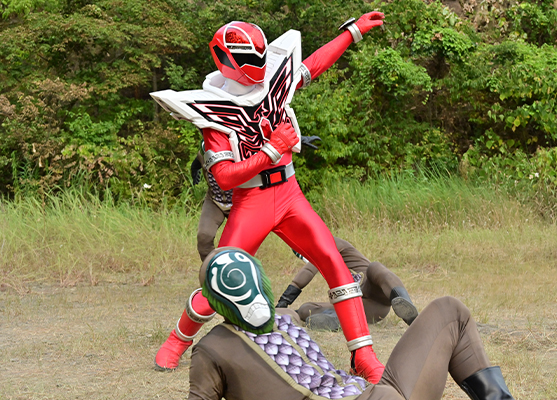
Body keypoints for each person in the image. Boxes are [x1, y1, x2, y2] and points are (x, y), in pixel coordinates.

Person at [150, 13, 387, 382]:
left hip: (289, 193)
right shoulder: (212, 109)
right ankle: (176, 340)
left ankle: (364, 356)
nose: (257, 65)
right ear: (225, 59)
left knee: (334, 263)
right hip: (252, 200)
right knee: (222, 278)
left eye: (259, 56)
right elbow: (224, 175)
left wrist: (352, 32)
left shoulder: (275, 80)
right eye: (248, 58)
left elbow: (313, 65)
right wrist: (271, 151)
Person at [189, 247, 515, 400]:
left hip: (372, 392)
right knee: (450, 311)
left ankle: (391, 299)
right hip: (371, 396)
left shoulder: (279, 320)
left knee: (449, 310)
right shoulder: (214, 349)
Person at [191, 135, 321, 262]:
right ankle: (211, 270)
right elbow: (197, 161)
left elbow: (269, 139)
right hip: (215, 201)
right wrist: (195, 171)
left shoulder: (240, 146)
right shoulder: (205, 149)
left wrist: (299, 139)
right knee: (204, 237)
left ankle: (303, 250)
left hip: (243, 201)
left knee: (260, 234)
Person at [276, 237, 419, 331]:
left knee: (375, 267)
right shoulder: (322, 259)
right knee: (305, 309)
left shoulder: (331, 243)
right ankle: (337, 319)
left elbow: (308, 271)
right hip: (363, 307)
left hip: (373, 292)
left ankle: (405, 305)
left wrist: (284, 300)